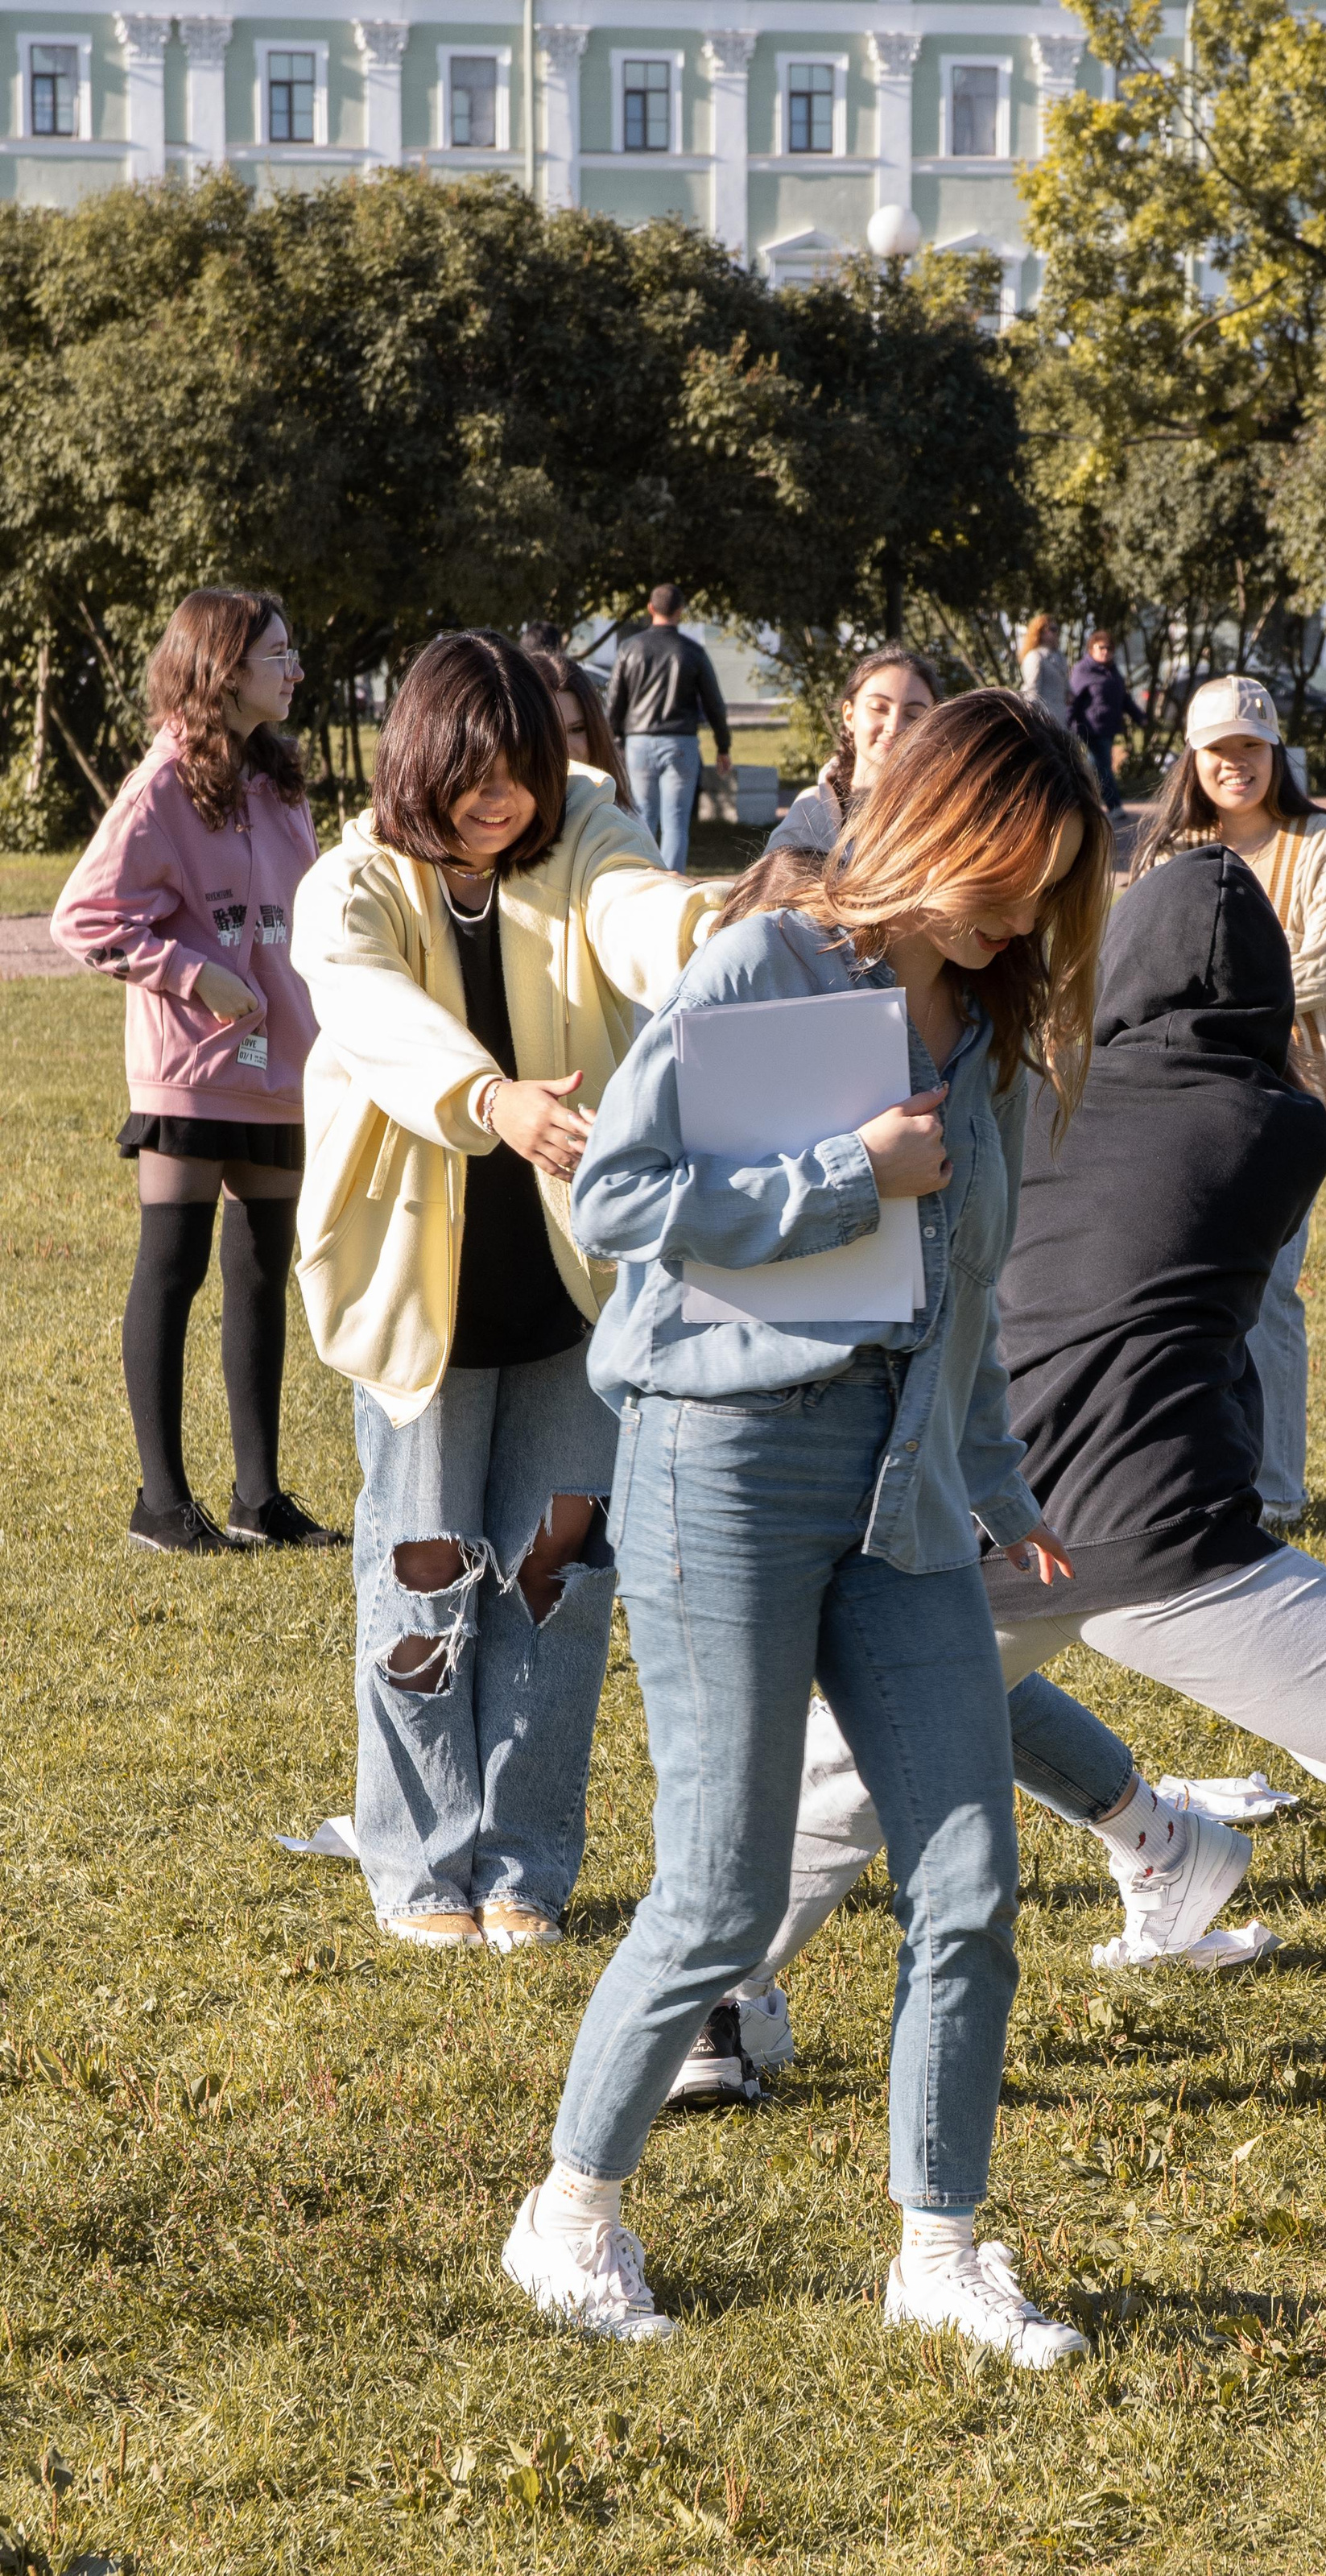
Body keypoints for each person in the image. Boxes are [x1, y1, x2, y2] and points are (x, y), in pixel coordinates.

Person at [717, 849, 1326, 2249]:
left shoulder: (1029, 1086)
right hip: (1154, 1530)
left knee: (855, 1769)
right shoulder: (1281, 1121)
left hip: (981, 1502)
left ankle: (718, 2001)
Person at [501, 690, 1112, 2363]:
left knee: (973, 1883)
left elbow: (968, 1283)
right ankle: (566, 2216)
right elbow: (621, 1198)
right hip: (725, 1465)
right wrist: (845, 1173)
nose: (1018, 908)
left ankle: (940, 2248)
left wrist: (995, 1479)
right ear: (924, 822)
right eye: (1006, 866)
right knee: (714, 1894)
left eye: (1049, 881)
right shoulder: (760, 967)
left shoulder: (980, 1026)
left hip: (903, 1490)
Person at [291, 631, 722, 1954]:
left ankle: (524, 1862)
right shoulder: (351, 877)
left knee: (555, 1575)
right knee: (424, 1574)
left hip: (571, 1298)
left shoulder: (585, 826)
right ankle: (419, 1861)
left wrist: (734, 921)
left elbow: (642, 910)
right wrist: (491, 1097)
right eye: (474, 774)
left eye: (522, 771)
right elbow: (361, 999)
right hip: (418, 1298)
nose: (503, 800)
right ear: (420, 758)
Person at [52, 588, 339, 1556]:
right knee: (171, 1270)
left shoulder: (279, 774)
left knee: (261, 1274)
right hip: (190, 1067)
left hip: (282, 1062)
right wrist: (194, 974)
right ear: (223, 670)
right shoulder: (162, 782)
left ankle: (259, 1498)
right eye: (278, 653)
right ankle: (161, 1504)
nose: (294, 668)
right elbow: (84, 918)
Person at [1134, 675, 1326, 1525]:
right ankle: (1203, 1474)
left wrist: (1209, 997)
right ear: (1191, 759)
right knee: (1192, 1293)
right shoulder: (1168, 855)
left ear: (1275, 752)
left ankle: (1275, 1487)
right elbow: (1136, 967)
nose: (1234, 763)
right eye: (1217, 749)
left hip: (1287, 1101)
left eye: (1249, 746)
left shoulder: (1325, 844)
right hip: (1182, 1101)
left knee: (1269, 1288)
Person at [604, 584, 733, 872]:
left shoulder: (629, 648)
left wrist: (613, 740)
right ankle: (673, 883)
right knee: (676, 821)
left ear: (650, 608)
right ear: (680, 612)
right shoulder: (693, 652)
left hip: (638, 742)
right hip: (680, 742)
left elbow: (614, 703)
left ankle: (640, 877)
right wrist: (723, 746)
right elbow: (714, 704)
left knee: (642, 816)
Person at [765, 646, 940, 857]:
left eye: (913, 715)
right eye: (878, 708)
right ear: (849, 715)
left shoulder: (944, 818)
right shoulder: (809, 813)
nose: (894, 727)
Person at [524, 645, 635, 812]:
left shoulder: (624, 824)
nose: (565, 748)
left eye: (577, 730)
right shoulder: (493, 821)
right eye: (550, 734)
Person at [1068, 631, 1145, 813]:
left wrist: (1139, 716)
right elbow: (1073, 700)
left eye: (1109, 648)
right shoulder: (1083, 670)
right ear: (1091, 649)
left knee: (1095, 766)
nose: (1105, 652)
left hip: (1108, 728)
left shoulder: (1112, 671)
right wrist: (1067, 724)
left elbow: (1123, 698)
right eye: (1100, 648)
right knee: (1101, 766)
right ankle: (1114, 805)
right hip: (1090, 727)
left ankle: (1083, 801)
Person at [1018, 613, 1070, 727]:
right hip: (1043, 719)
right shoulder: (1035, 657)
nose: (1056, 632)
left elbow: (1066, 689)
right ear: (1040, 632)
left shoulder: (1060, 657)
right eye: (1052, 629)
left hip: (1060, 718)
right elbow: (1032, 691)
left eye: (1057, 629)